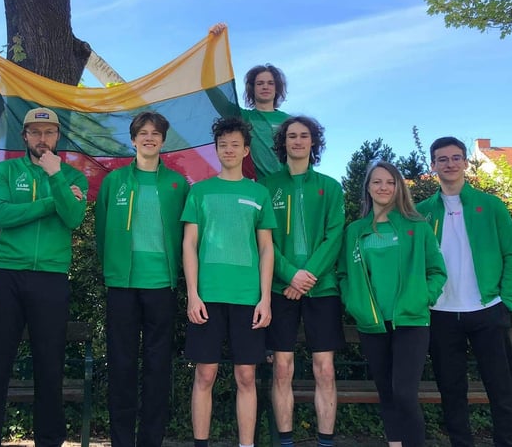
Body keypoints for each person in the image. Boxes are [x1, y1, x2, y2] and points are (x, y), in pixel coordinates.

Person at [0, 108, 88, 447]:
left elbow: (73, 219)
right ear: (24, 136)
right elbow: (2, 214)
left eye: (49, 132)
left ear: (57, 137)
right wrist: (55, 199)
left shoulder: (73, 175)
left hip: (51, 278)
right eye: (35, 132)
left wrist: (56, 177)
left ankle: (50, 441)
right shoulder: (6, 170)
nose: (42, 139)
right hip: (7, 274)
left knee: (49, 367)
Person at [417, 137, 512, 447]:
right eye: (442, 159)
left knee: (501, 390)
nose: (449, 164)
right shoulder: (421, 212)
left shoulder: (490, 205)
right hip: (440, 314)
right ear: (433, 165)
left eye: (455, 157)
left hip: (488, 310)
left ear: (465, 162)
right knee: (451, 391)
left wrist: (507, 302)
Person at [95, 111, 189, 447]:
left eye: (155, 133)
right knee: (121, 365)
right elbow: (102, 230)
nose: (149, 138)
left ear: (163, 140)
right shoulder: (114, 182)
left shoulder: (178, 184)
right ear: (133, 140)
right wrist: (113, 268)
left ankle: (152, 440)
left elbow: (187, 235)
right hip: (121, 284)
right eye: (142, 133)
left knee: (158, 367)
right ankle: (121, 441)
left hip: (162, 284)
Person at [181, 116, 276, 447]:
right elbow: (189, 245)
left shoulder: (259, 193)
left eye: (236, 144)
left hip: (248, 298)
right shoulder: (200, 192)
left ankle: (246, 444)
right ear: (216, 149)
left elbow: (266, 249)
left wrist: (265, 298)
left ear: (246, 150)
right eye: (223, 145)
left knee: (246, 376)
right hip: (207, 297)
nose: (229, 150)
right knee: (205, 374)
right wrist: (193, 294)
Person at [337, 161, 447, 447]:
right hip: (372, 323)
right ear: (368, 188)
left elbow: (437, 271)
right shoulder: (355, 231)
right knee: (386, 391)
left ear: (398, 187)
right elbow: (344, 274)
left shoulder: (417, 227)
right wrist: (354, 303)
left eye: (389, 182)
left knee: (404, 393)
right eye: (377, 182)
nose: (383, 187)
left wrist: (424, 298)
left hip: (411, 321)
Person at [258, 116, 345, 447]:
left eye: (303, 136)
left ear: (313, 142)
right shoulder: (267, 186)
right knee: (282, 368)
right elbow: (263, 240)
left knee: (325, 369)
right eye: (291, 136)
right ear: (283, 144)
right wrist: (289, 274)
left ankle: (325, 441)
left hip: (321, 290)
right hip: (281, 290)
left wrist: (306, 277)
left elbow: (335, 235)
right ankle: (285, 441)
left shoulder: (331, 186)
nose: (297, 140)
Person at [208, 23, 290, 180]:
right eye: (260, 83)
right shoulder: (242, 117)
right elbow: (211, 89)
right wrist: (212, 44)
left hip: (286, 188)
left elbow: (302, 156)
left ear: (277, 88)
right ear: (252, 89)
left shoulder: (288, 121)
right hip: (256, 188)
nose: (265, 87)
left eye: (270, 83)